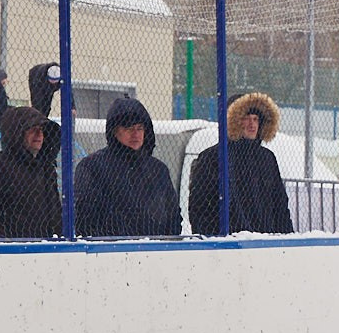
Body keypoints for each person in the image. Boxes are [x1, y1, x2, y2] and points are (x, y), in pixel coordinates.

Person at [190, 91, 293, 236]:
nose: (252, 124)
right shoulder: (213, 157)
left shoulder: (267, 159)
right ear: (234, 121)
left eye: (256, 119)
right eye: (246, 118)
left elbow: (280, 205)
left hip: (265, 243)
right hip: (228, 243)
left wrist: (286, 238)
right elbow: (199, 208)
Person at [74, 96, 178, 239]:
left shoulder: (158, 170)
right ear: (115, 132)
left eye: (139, 128)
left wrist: (162, 245)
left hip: (155, 252)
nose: (135, 134)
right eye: (128, 128)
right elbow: (84, 218)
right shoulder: (92, 167)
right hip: (109, 253)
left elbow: (173, 217)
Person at [0, 105, 61, 240]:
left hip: (45, 249)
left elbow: (55, 214)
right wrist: (5, 244)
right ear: (17, 132)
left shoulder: (46, 169)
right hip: (7, 252)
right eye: (32, 129)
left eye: (42, 129)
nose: (39, 134)